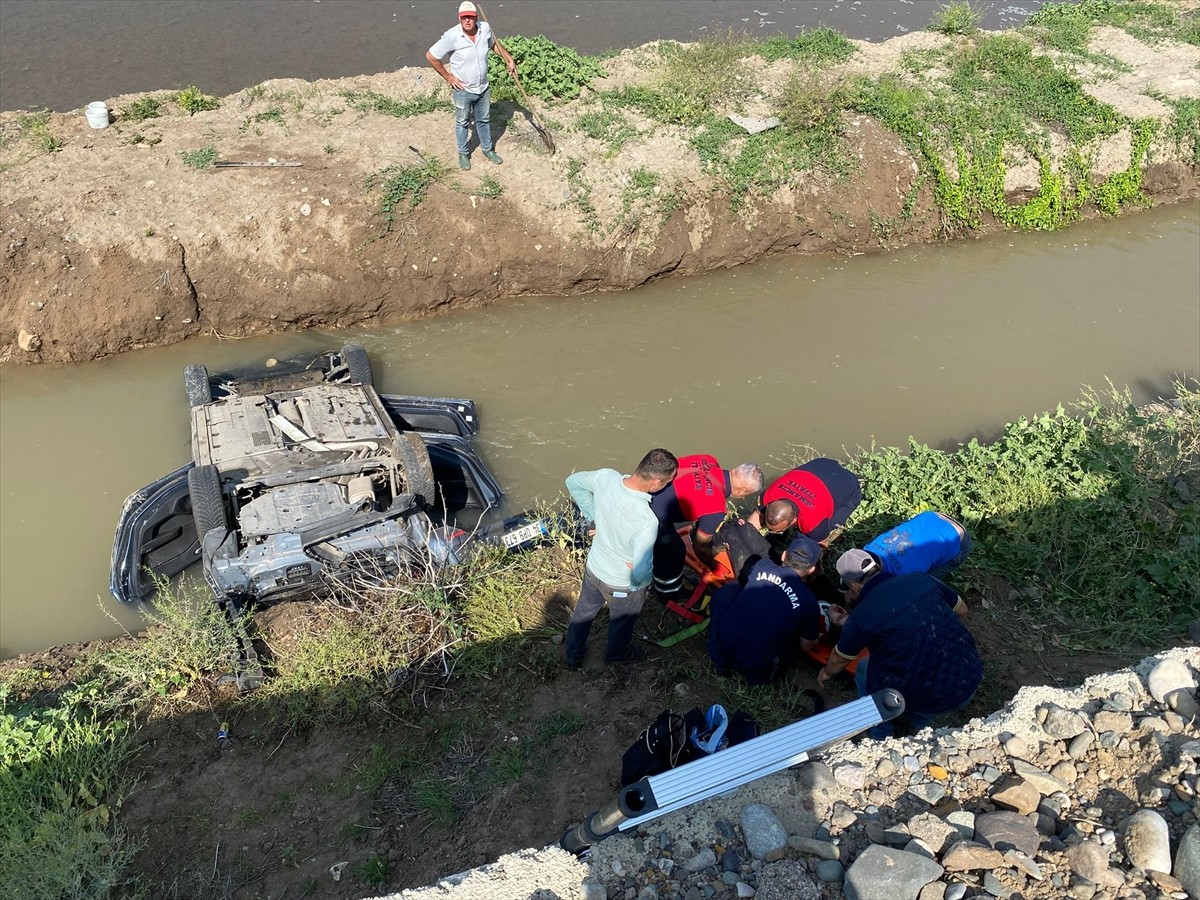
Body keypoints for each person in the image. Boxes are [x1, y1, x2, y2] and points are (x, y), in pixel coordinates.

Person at [817, 557, 982, 739]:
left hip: (931, 697)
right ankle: (913, 728)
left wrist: (826, 673)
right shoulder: (921, 579)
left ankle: (881, 736)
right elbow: (962, 610)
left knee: (865, 669)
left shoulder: (862, 617)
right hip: (970, 673)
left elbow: (839, 659)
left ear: (854, 586)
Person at [564, 449, 679, 670]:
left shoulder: (606, 477)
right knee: (621, 623)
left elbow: (573, 482)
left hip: (594, 568)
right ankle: (616, 656)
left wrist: (594, 517)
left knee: (583, 612)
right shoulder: (646, 521)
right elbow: (640, 573)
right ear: (655, 483)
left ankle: (573, 654)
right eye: (668, 481)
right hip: (620, 584)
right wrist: (640, 585)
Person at [650, 455, 763, 598]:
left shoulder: (708, 459)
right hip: (649, 514)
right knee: (674, 550)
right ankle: (668, 590)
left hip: (645, 489)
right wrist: (715, 567)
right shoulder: (716, 508)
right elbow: (700, 547)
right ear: (742, 491)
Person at [425, 1, 517, 171]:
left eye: (471, 17)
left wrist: (508, 58)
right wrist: (449, 77)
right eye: (464, 18)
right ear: (459, 19)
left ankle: (488, 150)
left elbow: (493, 44)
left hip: (483, 87)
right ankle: (463, 153)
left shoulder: (485, 29)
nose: (467, 21)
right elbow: (431, 56)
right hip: (463, 90)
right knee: (462, 122)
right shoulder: (452, 36)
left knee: (483, 120)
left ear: (476, 18)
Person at [747, 458, 862, 544]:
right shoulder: (768, 496)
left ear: (794, 521)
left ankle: (834, 533)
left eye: (777, 531)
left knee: (826, 528)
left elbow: (821, 545)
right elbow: (755, 519)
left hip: (847, 483)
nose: (772, 532)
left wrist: (814, 569)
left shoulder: (813, 524)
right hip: (821, 464)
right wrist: (744, 536)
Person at [856, 511, 972, 578]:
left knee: (927, 582)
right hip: (931, 517)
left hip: (959, 539)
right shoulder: (868, 549)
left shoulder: (904, 577)